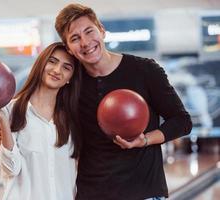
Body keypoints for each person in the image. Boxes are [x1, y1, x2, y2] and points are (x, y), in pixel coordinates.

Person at [53, 3, 192, 200]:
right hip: (92, 194)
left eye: (89, 31)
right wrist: (6, 126)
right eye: (75, 38)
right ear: (69, 48)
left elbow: (182, 121)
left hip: (144, 192)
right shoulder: (71, 84)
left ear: (101, 30)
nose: (85, 42)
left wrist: (145, 140)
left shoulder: (145, 71)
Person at [0, 42, 82, 200]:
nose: (57, 70)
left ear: (70, 79)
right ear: (41, 64)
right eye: (52, 61)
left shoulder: (73, 117)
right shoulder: (9, 111)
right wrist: (3, 122)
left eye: (67, 67)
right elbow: (11, 169)